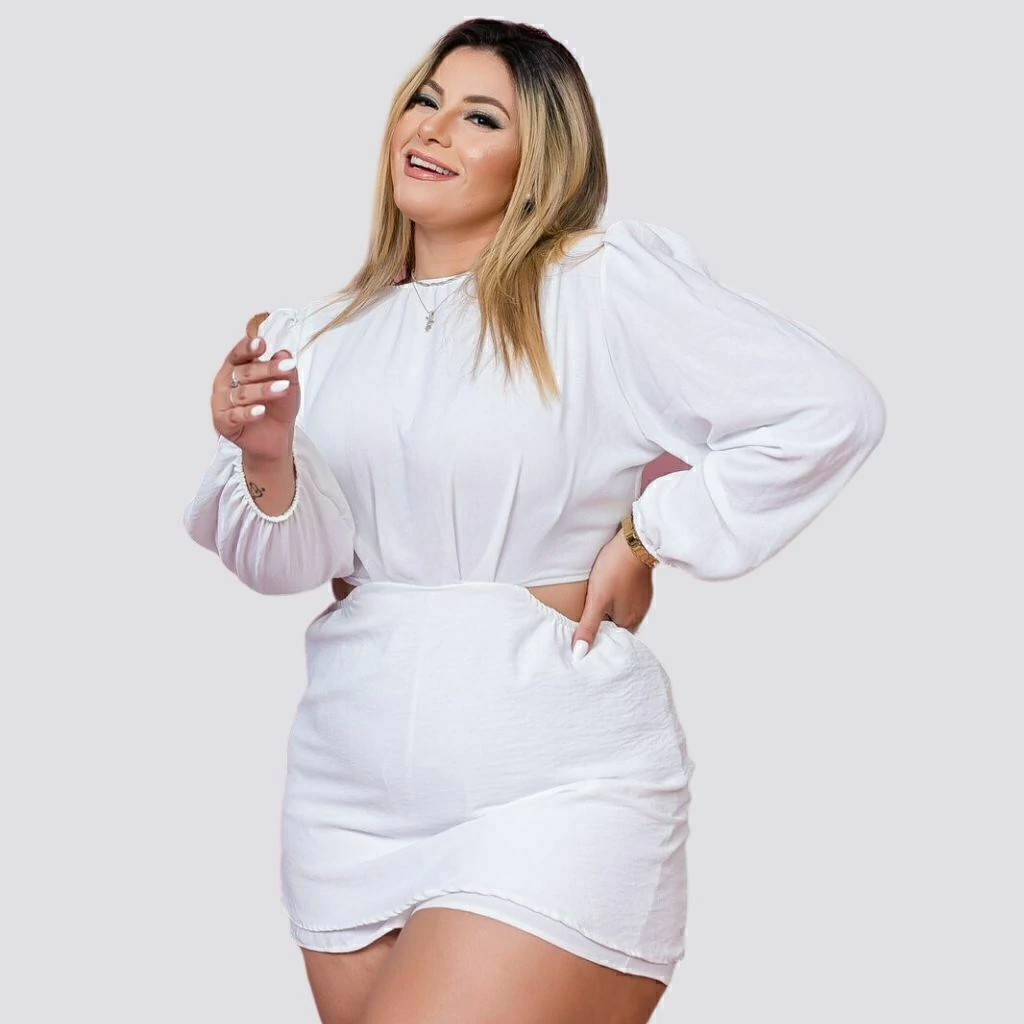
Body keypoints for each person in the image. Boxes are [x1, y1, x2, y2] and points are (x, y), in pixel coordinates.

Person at [182, 17, 885, 1024]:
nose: (434, 129)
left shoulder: (596, 289)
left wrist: (652, 530)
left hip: (551, 788)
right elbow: (288, 564)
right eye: (425, 100)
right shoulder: (316, 335)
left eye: (481, 118)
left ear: (538, 160)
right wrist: (265, 452)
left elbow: (827, 408)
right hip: (346, 798)